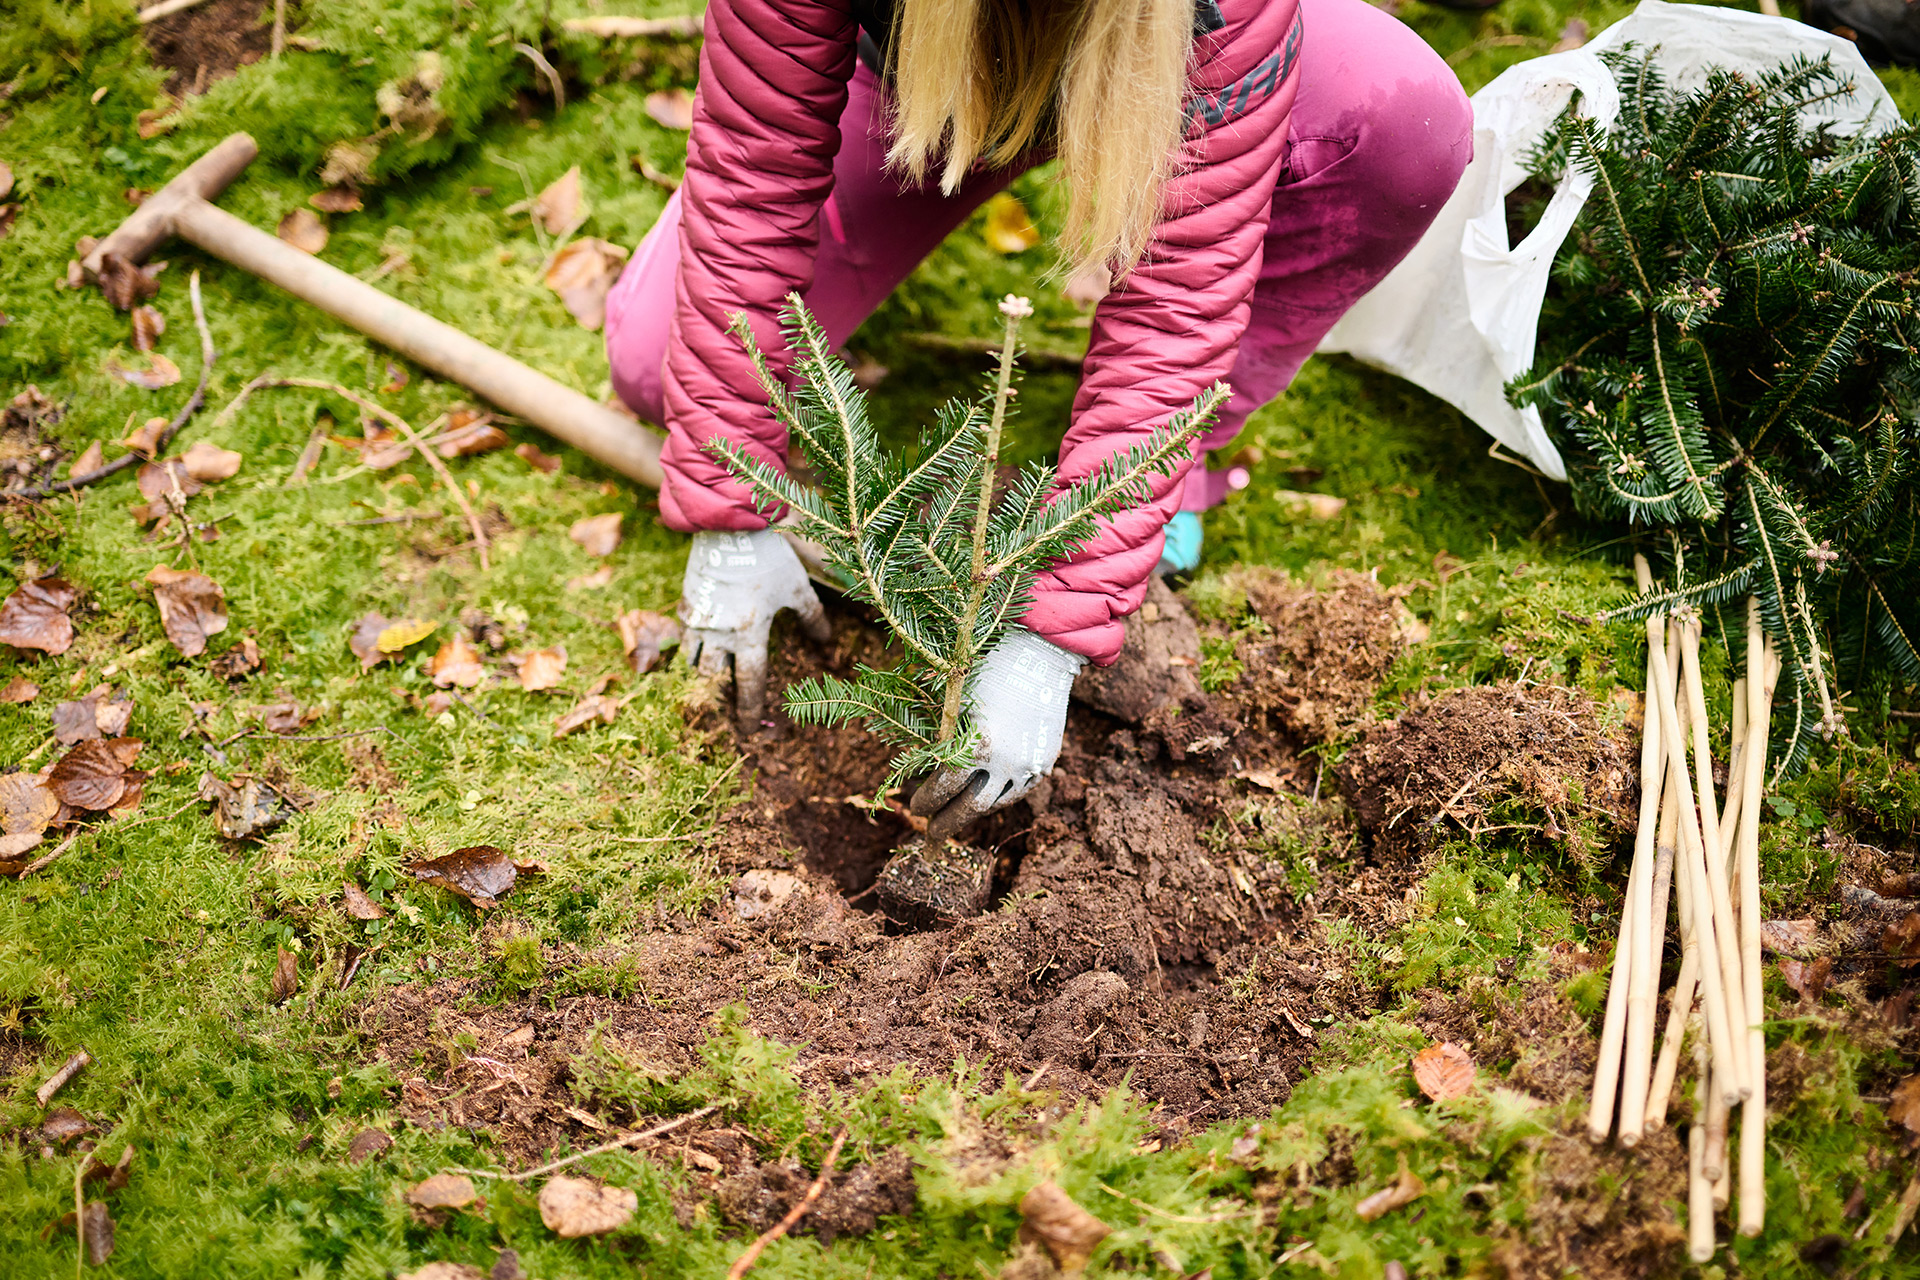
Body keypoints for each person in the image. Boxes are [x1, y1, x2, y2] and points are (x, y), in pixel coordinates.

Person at [605, 0, 1472, 843]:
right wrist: (729, 492)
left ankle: (1166, 465)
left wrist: (1052, 635)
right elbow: (752, 176)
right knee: (656, 365)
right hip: (915, 78)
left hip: (1175, 76)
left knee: (1402, 122)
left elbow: (1182, 297)